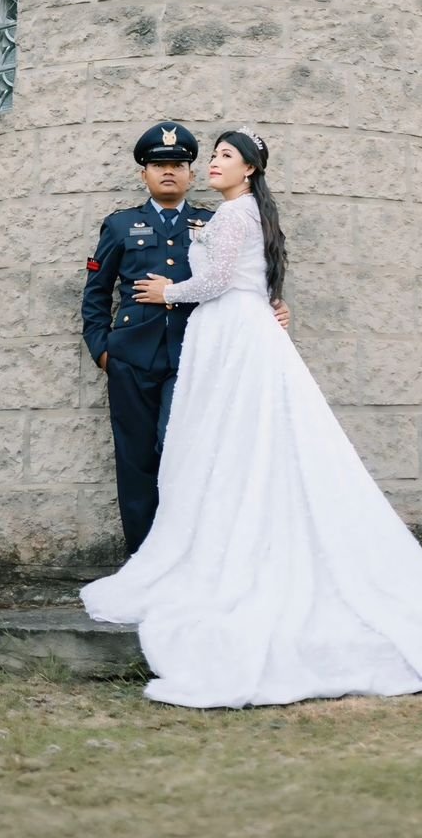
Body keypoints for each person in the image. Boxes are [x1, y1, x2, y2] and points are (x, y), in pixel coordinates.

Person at [82, 127, 422, 708]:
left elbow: (225, 279)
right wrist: (106, 350)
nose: (196, 166)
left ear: (245, 169)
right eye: (189, 160)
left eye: (216, 157)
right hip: (160, 353)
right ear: (146, 170)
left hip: (219, 344)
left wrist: (184, 293)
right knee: (170, 459)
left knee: (218, 455)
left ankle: (208, 562)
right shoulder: (148, 222)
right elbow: (107, 289)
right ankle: (164, 556)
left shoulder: (221, 216)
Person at [81, 121, 289, 555]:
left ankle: (186, 554)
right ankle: (143, 557)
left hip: (193, 356)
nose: (168, 172)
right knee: (136, 460)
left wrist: (272, 307)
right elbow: (96, 294)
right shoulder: (120, 225)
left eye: (178, 164)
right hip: (131, 358)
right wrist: (103, 352)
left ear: (191, 175)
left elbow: (239, 277)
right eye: (159, 165)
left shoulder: (213, 221)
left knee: (185, 454)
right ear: (143, 174)